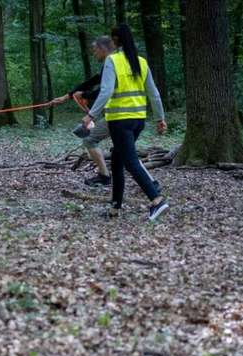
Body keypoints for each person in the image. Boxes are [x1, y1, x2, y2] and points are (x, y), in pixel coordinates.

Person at [53, 37, 161, 193]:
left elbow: (104, 91)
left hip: (120, 117)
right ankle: (144, 184)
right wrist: (67, 96)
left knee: (92, 140)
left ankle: (108, 177)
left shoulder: (112, 63)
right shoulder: (120, 62)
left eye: (95, 50)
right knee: (124, 150)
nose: (94, 53)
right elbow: (94, 81)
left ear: (103, 49)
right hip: (132, 117)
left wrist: (88, 108)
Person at [83, 24, 169, 221]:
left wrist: (91, 116)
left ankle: (156, 200)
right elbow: (154, 94)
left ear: (115, 41)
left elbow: (106, 91)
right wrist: (160, 118)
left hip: (120, 121)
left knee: (129, 162)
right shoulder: (141, 62)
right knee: (117, 161)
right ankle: (115, 208)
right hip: (138, 121)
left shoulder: (112, 61)